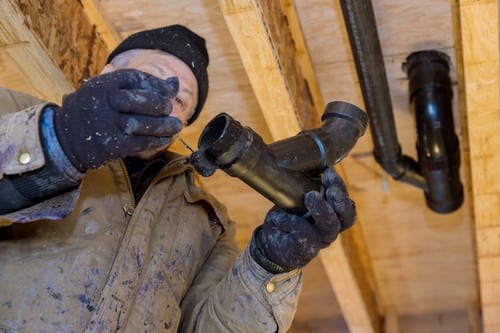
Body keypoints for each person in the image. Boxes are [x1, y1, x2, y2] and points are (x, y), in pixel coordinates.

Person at [0, 24, 356, 332]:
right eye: (156, 76)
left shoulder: (207, 221)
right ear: (107, 72)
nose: (169, 99)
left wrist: (270, 266)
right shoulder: (18, 112)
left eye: (183, 101)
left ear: (183, 127)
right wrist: (64, 137)